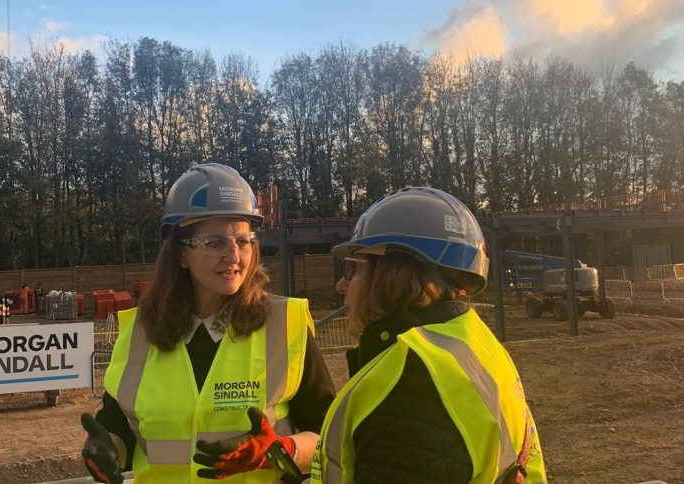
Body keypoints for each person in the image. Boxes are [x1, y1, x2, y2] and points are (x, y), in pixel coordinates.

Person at [80, 163, 336, 484]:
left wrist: (280, 448)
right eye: (215, 243)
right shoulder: (139, 331)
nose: (233, 257)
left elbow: (329, 435)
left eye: (243, 241)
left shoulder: (286, 324)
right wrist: (105, 451)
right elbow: (119, 431)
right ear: (180, 254)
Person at [309, 187, 547, 484]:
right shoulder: (470, 343)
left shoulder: (410, 387)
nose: (341, 287)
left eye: (352, 269)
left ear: (391, 275)